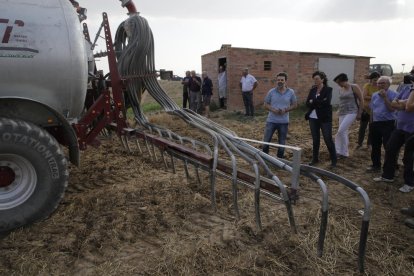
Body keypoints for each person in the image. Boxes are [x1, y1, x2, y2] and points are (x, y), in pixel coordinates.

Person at [373, 77, 414, 193]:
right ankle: (388, 175)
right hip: (400, 127)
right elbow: (394, 104)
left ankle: (409, 182)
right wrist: (403, 103)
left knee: (409, 157)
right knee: (390, 149)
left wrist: (403, 103)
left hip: (412, 129)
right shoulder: (407, 89)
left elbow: (408, 107)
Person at [304, 71, 337, 167]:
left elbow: (326, 103)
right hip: (313, 117)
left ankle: (333, 160)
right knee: (315, 139)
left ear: (322, 79)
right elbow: (307, 103)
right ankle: (315, 159)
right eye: (314, 79)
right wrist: (319, 101)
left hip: (325, 118)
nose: (315, 80)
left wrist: (313, 101)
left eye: (317, 79)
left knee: (328, 139)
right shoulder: (313, 90)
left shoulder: (328, 89)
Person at [366, 76, 398, 172]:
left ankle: (391, 165)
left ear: (388, 84)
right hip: (375, 123)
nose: (380, 85)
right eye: (379, 83)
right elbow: (372, 109)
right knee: (375, 145)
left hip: (389, 123)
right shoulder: (375, 95)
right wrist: (371, 123)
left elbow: (392, 109)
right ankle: (376, 165)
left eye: (383, 83)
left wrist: (385, 97)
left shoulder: (394, 94)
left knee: (388, 146)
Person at [263, 72, 298, 158]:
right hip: (271, 120)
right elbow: (266, 104)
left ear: (286, 81)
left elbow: (295, 105)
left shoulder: (291, 92)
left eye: (282, 80)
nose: (280, 81)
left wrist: (286, 110)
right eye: (278, 80)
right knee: (266, 141)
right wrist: (273, 110)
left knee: (282, 143)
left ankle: (279, 160)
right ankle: (265, 158)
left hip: (283, 121)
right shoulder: (271, 92)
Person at [333, 73, 364, 159]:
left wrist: (360, 113)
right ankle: (341, 152)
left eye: (339, 82)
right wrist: (338, 111)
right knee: (343, 132)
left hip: (352, 112)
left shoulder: (354, 87)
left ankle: (341, 151)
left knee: (341, 130)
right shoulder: (341, 89)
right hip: (342, 112)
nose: (338, 84)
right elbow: (342, 102)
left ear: (344, 80)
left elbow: (361, 100)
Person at [357, 71, 380, 148]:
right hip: (366, 109)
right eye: (374, 80)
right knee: (362, 127)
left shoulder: (380, 87)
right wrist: (376, 96)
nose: (376, 82)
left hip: (375, 111)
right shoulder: (367, 86)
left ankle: (369, 143)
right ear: (371, 80)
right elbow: (364, 96)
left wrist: (372, 97)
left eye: (377, 80)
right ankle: (359, 143)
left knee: (372, 128)